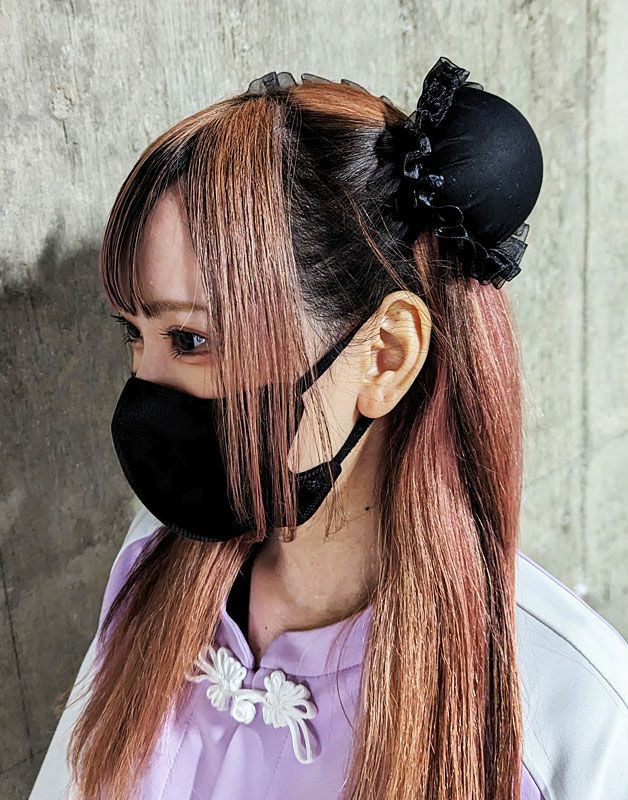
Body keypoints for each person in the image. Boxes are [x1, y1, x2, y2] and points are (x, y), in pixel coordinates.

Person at [29, 57, 628, 800]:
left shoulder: (565, 716)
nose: (145, 393)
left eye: (191, 339)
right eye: (134, 333)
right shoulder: (152, 571)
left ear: (385, 356)